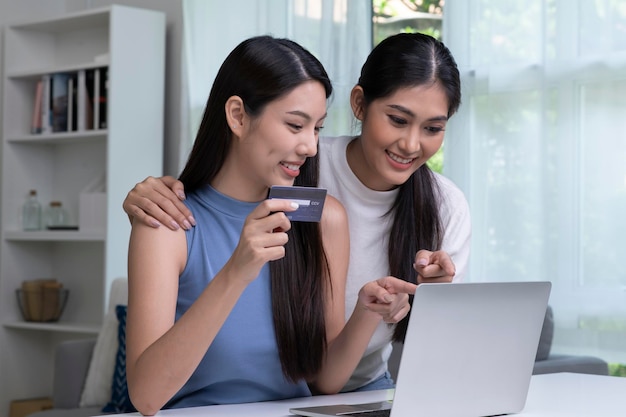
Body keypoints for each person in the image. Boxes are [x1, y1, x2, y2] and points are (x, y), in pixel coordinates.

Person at [124, 33, 470, 394]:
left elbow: (324, 382)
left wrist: (369, 310)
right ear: (238, 116)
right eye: (295, 125)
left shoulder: (323, 218)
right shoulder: (167, 225)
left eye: (317, 128)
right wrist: (238, 270)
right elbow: (146, 395)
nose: (310, 147)